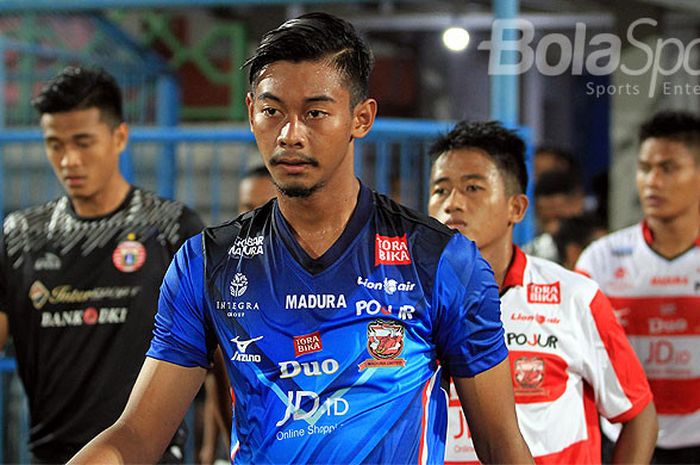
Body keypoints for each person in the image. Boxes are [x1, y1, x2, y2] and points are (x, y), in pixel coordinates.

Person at [68, 12, 533, 465]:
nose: (290, 135)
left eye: (315, 113)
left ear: (361, 118)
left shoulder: (443, 260)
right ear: (251, 113)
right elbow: (135, 436)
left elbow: (501, 445)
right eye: (272, 111)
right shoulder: (205, 263)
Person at [0, 66, 204, 463]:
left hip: (150, 457)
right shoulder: (21, 236)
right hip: (53, 455)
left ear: (119, 137)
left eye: (83, 142)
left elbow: (218, 359)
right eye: (55, 144)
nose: (68, 160)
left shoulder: (169, 228)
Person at [427, 120, 657, 464]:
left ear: (516, 208)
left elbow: (639, 415)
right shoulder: (403, 302)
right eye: (440, 190)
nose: (452, 203)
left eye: (473, 188)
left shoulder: (574, 297)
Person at [576, 110, 700, 464]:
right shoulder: (600, 260)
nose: (652, 181)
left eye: (668, 168)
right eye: (645, 168)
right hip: (626, 441)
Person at [199, 164, 276, 465]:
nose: (253, 219)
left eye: (265, 209)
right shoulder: (223, 286)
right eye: (246, 208)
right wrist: (209, 451)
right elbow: (215, 377)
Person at [523, 169, 586, 262]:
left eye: (559, 218)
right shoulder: (533, 250)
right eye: (547, 220)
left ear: (577, 203)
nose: (553, 227)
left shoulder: (597, 243)